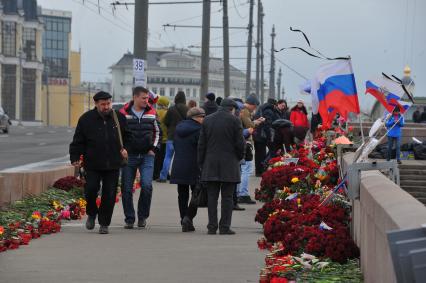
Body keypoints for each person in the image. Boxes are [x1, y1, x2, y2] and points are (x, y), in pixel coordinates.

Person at [70, 91, 130, 234]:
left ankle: (104, 223)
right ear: (96, 104)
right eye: (103, 104)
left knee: (109, 194)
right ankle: (92, 213)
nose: (106, 106)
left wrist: (126, 149)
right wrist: (75, 157)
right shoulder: (86, 119)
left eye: (108, 103)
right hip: (92, 164)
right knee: (90, 190)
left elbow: (128, 137)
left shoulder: (119, 118)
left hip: (113, 163)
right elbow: (78, 141)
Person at [198, 98, 245, 235]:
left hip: (210, 163)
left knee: (212, 197)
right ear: (232, 108)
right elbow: (240, 143)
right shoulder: (235, 120)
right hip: (229, 164)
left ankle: (212, 227)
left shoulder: (207, 119)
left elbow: (202, 144)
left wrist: (201, 162)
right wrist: (239, 157)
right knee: (227, 197)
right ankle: (224, 227)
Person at [119, 87, 161, 229]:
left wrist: (153, 149)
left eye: (147, 98)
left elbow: (158, 132)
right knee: (126, 188)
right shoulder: (123, 113)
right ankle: (129, 218)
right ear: (135, 97)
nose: (146, 100)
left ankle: (142, 216)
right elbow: (118, 134)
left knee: (147, 185)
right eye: (143, 98)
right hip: (129, 156)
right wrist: (122, 149)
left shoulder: (152, 112)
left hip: (146, 156)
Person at [170, 107, 205, 232]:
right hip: (195, 165)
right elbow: (202, 148)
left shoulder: (178, 128)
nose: (204, 119)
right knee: (197, 192)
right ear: (196, 117)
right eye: (203, 117)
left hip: (179, 164)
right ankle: (188, 217)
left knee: (182, 194)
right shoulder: (200, 130)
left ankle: (183, 218)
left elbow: (175, 144)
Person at [237, 93, 264, 205]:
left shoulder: (241, 110)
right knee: (246, 169)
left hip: (242, 141)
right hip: (245, 142)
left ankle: (239, 193)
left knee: (241, 169)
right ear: (252, 104)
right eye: (255, 106)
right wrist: (257, 122)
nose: (255, 108)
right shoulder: (245, 111)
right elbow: (249, 125)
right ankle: (243, 194)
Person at [158, 91, 188, 183]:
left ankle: (163, 177)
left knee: (167, 157)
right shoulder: (187, 109)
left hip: (171, 136)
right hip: (183, 137)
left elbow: (165, 122)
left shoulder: (171, 109)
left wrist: (170, 128)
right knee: (182, 158)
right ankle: (181, 177)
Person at [253, 98, 281, 176]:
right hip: (262, 135)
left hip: (257, 134)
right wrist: (269, 137)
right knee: (263, 153)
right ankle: (261, 171)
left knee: (258, 154)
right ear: (274, 105)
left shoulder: (261, 108)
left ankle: (258, 171)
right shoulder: (269, 111)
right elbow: (267, 125)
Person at [153, 96, 170, 180]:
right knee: (164, 157)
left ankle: (155, 174)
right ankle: (163, 173)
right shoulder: (167, 112)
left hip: (157, 138)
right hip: (166, 138)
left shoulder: (155, 112)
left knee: (157, 158)